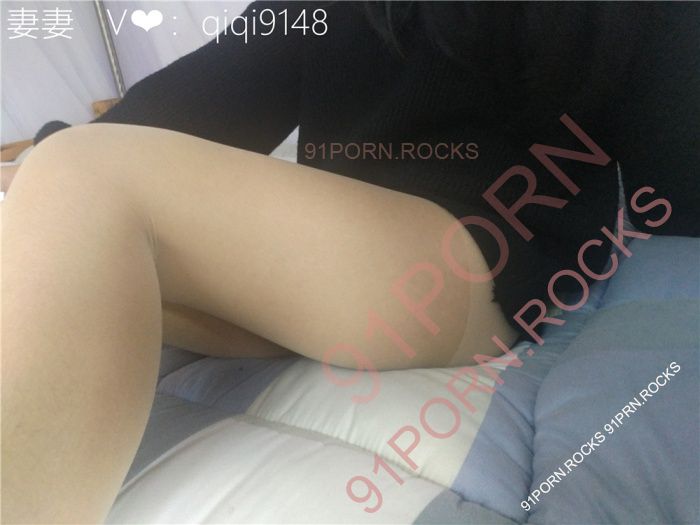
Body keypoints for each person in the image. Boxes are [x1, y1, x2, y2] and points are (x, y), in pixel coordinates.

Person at [3, 2, 698, 523]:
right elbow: (210, 92)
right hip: (343, 261)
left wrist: (63, 165)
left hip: (472, 257)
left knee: (78, 179)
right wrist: (42, 168)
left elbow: (672, 164)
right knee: (55, 216)